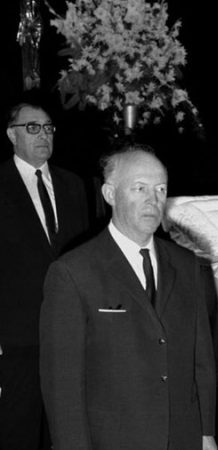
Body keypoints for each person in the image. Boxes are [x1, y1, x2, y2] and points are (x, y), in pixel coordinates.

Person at [39, 145, 217, 449]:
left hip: (182, 436)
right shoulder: (73, 272)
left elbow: (202, 359)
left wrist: (206, 432)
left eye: (161, 189)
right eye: (140, 188)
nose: (153, 199)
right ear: (110, 194)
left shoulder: (187, 264)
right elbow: (62, 384)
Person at [0, 101, 89, 449]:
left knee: (66, 428)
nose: (43, 135)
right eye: (32, 128)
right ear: (12, 135)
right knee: (17, 429)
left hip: (69, 330)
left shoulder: (73, 185)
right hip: (17, 334)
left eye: (48, 127)